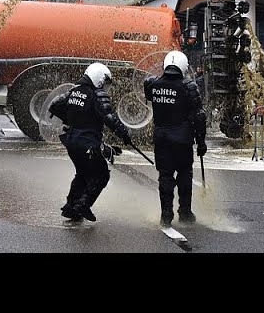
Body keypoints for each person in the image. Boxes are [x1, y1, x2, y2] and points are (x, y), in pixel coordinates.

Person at [48, 62, 132, 222]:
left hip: (71, 141)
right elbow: (109, 118)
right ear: (99, 79)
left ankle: (70, 207)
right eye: (104, 83)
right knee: (101, 175)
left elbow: (55, 106)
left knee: (82, 174)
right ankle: (83, 205)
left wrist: (72, 119)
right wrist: (124, 135)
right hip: (87, 143)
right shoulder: (96, 94)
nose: (105, 87)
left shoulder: (74, 91)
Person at [144, 51, 207, 228]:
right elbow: (199, 115)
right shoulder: (188, 86)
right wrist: (201, 142)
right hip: (182, 139)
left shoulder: (152, 84)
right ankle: (185, 212)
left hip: (161, 139)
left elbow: (149, 95)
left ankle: (166, 214)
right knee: (184, 176)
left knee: (165, 176)